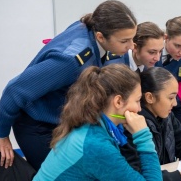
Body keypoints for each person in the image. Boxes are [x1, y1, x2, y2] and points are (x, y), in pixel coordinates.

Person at [0, 0, 137, 171]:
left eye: (132, 39)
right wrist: (1, 134)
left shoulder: (88, 28)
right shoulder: (71, 61)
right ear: (100, 36)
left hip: (59, 121)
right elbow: (14, 90)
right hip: (37, 126)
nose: (131, 46)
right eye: (124, 41)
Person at [34, 64, 162, 180]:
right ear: (118, 102)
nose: (139, 109)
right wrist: (143, 136)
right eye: (138, 100)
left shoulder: (93, 125)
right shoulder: (96, 144)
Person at [121, 67, 181, 181]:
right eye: (171, 97)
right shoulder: (133, 126)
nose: (175, 103)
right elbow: (139, 175)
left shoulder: (167, 116)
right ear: (150, 97)